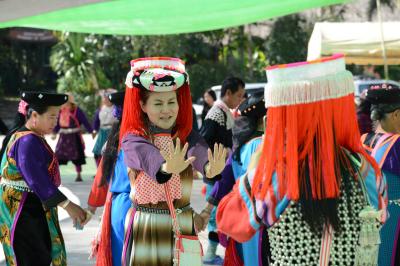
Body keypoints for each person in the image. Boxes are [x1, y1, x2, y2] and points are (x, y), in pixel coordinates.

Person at [217, 55, 388, 265]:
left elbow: (230, 220)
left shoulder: (276, 175)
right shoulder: (366, 170)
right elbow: (381, 217)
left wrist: (256, 163)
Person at [120, 57, 226, 266]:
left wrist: (209, 167)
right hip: (149, 225)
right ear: (142, 105)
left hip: (183, 223)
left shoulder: (186, 136)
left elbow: (199, 151)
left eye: (171, 102)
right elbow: (148, 156)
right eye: (158, 103)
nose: (166, 110)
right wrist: (166, 167)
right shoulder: (133, 138)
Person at [0, 91, 88, 266]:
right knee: (31, 257)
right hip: (24, 210)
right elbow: (37, 179)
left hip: (28, 205)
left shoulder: (27, 136)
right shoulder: (27, 141)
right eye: (52, 117)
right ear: (34, 115)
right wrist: (68, 205)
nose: (55, 122)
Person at [205, 91, 269, 265]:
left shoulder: (241, 145)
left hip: (242, 218)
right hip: (258, 220)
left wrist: (207, 209)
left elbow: (224, 180)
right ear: (265, 118)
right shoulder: (260, 145)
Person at [199, 76, 245, 264]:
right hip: (215, 173)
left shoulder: (224, 111)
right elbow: (203, 141)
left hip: (221, 172)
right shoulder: (216, 113)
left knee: (219, 213)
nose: (241, 100)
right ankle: (210, 254)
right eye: (239, 96)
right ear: (228, 94)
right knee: (213, 216)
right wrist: (221, 154)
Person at [87, 90, 130, 266]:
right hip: (141, 209)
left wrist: (90, 209)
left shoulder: (114, 139)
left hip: (118, 209)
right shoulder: (147, 138)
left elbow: (101, 179)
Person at [362, 83, 400, 266]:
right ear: (396, 114)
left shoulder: (361, 141)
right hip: (394, 220)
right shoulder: (397, 143)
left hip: (366, 222)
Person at [53, 93, 93, 182]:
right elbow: (57, 123)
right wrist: (54, 132)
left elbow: (84, 121)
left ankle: (79, 174)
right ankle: (55, 175)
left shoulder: (76, 110)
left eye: (67, 101)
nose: (65, 103)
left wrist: (91, 131)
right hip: (63, 137)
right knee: (58, 156)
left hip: (74, 136)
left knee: (77, 157)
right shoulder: (61, 110)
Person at [92, 88, 118, 167]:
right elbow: (96, 121)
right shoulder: (100, 109)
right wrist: (94, 130)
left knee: (111, 152)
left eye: (107, 98)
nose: (105, 100)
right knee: (97, 152)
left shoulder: (116, 109)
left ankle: (110, 170)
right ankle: (99, 170)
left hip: (113, 132)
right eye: (104, 98)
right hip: (102, 132)